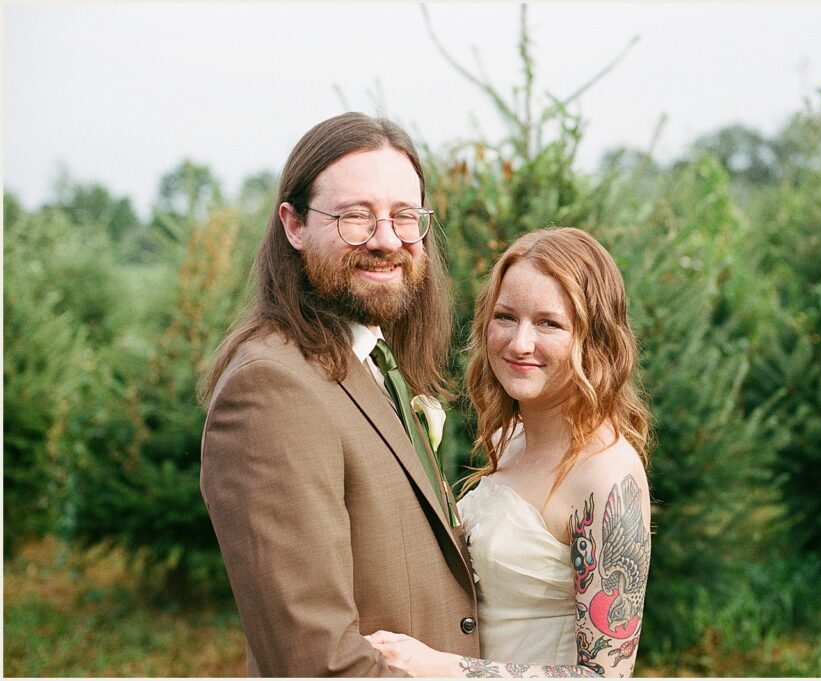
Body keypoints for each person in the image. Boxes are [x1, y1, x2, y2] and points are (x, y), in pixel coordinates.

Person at [198, 112, 479, 677]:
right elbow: (317, 663)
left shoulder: (374, 361)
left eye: (405, 217)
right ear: (294, 225)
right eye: (355, 217)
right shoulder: (270, 389)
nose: (386, 240)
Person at [367, 227, 652, 677]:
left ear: (594, 337)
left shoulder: (606, 476)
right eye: (505, 317)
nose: (519, 343)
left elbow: (605, 676)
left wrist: (440, 667)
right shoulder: (511, 437)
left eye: (548, 323)